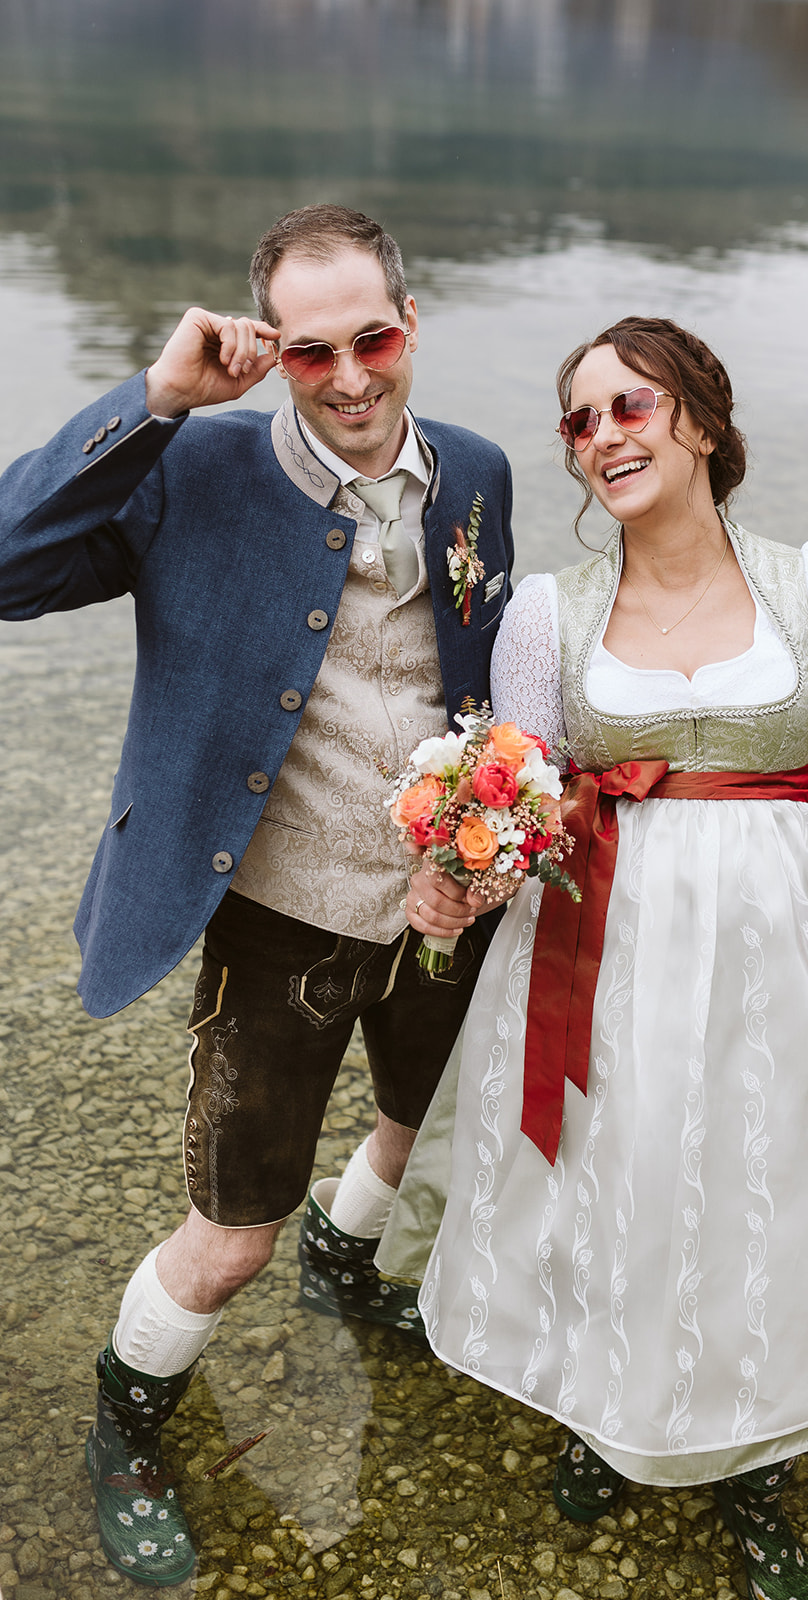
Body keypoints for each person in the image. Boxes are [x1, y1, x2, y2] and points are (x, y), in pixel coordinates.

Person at [392, 316, 808, 1600]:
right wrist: (452, 876)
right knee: (613, 1181)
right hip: (596, 953)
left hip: (774, 969)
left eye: (629, 407)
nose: (603, 437)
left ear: (699, 424)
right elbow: (521, 810)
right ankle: (608, 1415)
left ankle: (755, 1459)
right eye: (579, 420)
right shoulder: (546, 613)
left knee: (762, 1194)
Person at [0, 204, 513, 1586]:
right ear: (266, 352)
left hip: (445, 903)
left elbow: (476, 673)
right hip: (275, 919)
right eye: (309, 351)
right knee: (228, 1244)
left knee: (418, 1131)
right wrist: (160, 399)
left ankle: (347, 1273)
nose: (349, 376)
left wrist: (493, 834)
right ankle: (132, 1421)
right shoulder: (194, 470)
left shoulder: (476, 471)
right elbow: (4, 563)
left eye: (374, 339)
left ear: (412, 324)